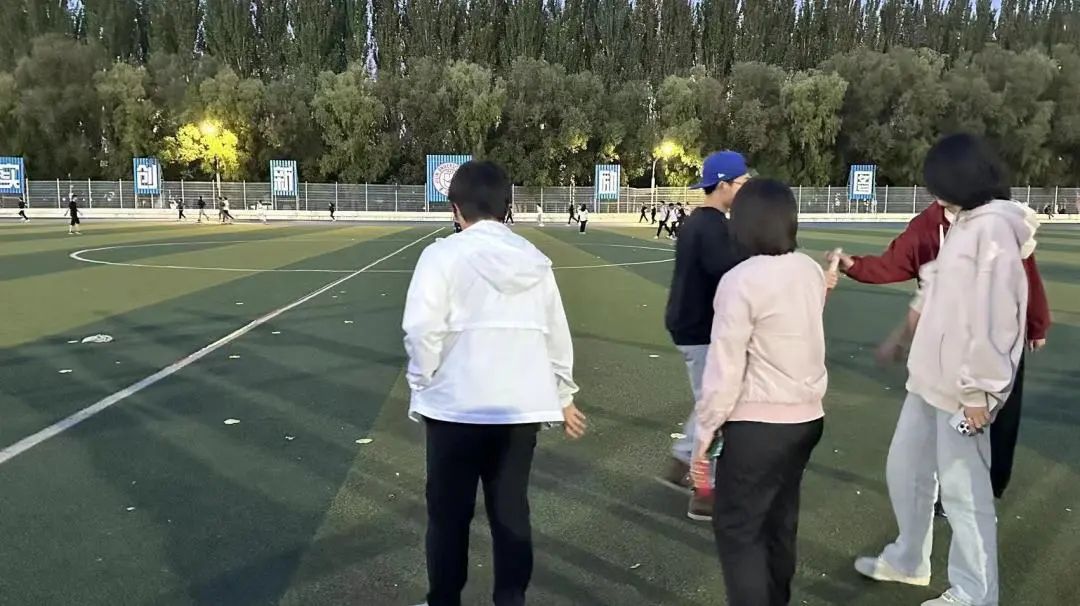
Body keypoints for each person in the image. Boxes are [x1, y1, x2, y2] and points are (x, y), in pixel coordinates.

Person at [852, 134, 1034, 606]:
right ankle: (909, 560)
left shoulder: (993, 233)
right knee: (906, 469)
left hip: (963, 392)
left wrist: (979, 394)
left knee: (964, 495)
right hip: (929, 380)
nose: (933, 194)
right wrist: (903, 338)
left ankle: (975, 593)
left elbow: (997, 320)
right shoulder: (965, 224)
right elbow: (935, 288)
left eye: (937, 184)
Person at [402, 160, 586, 606]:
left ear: (455, 209)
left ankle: (444, 600)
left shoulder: (441, 256)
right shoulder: (535, 262)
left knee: (448, 517)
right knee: (511, 513)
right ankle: (510, 600)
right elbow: (556, 336)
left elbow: (421, 330)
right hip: (519, 411)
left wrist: (421, 382)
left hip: (454, 409)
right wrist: (563, 395)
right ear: (508, 207)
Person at [833, 184, 1049, 506]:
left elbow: (1026, 275)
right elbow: (894, 263)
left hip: (996, 336)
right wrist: (854, 266)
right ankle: (948, 489)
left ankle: (988, 485)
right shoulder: (926, 224)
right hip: (945, 340)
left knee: (998, 416)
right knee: (946, 418)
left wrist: (1036, 323)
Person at [691, 178, 832, 606]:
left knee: (740, 529)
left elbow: (725, 368)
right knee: (779, 521)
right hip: (806, 420)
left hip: (758, 426)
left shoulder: (740, 281)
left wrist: (704, 434)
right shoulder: (808, 270)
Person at [658, 150, 750, 521]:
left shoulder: (701, 221)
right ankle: (703, 490)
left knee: (710, 400)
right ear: (723, 184)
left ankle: (682, 460)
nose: (745, 189)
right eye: (742, 183)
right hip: (701, 328)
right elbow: (727, 271)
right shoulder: (712, 226)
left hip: (690, 324)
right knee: (716, 406)